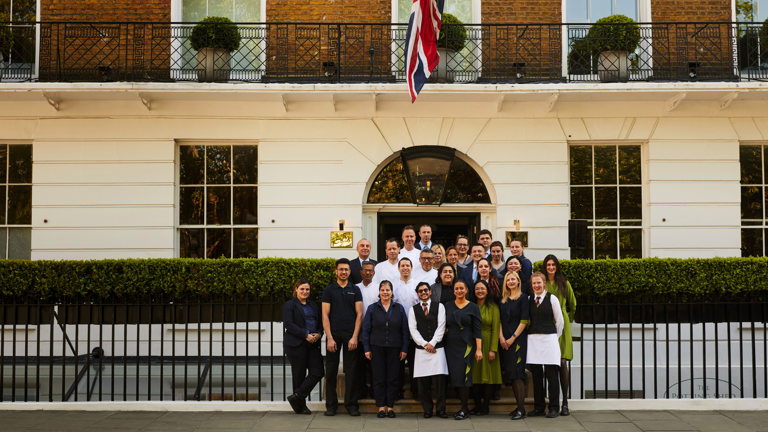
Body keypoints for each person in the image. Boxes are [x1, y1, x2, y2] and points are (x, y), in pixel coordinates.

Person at [321, 258, 364, 416]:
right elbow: (325, 315)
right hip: (334, 335)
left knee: (352, 372)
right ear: (336, 271)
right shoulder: (329, 290)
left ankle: (351, 405)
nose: (344, 272)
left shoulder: (355, 289)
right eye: (341, 269)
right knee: (331, 371)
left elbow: (360, 314)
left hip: (350, 335)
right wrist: (330, 338)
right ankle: (331, 406)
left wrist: (354, 337)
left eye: (346, 269)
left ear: (349, 271)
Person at [362, 280, 409, 418]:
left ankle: (390, 406)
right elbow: (366, 330)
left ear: (392, 292)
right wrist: (366, 348)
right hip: (376, 347)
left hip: (395, 348)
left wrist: (404, 348)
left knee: (393, 377)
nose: (385, 292)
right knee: (378, 377)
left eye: (388, 290)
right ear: (379, 292)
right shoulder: (372, 308)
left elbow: (404, 330)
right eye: (383, 290)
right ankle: (381, 407)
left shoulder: (399, 308)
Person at [408, 282, 449, 419]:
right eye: (420, 291)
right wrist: (425, 344)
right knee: (422, 384)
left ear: (430, 292)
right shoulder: (412, 310)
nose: (423, 293)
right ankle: (427, 409)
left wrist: (432, 343)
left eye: (425, 290)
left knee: (440, 383)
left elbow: (441, 326)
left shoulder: (440, 307)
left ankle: (441, 409)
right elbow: (413, 330)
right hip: (421, 351)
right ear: (417, 293)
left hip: (437, 349)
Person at [283, 278, 324, 415]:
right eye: (302, 289)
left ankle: (297, 396)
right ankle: (301, 406)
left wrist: (319, 333)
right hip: (296, 344)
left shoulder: (313, 305)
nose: (305, 291)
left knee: (318, 372)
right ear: (296, 289)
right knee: (299, 375)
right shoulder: (290, 305)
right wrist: (305, 334)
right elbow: (289, 324)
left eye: (307, 289)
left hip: (313, 343)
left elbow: (319, 322)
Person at [543, 254, 577, 416]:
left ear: (557, 266)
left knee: (562, 363)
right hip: (547, 324)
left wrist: (567, 319)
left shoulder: (564, 283)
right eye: (548, 265)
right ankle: (553, 402)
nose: (550, 267)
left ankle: (565, 402)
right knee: (550, 364)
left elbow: (574, 304)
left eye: (553, 265)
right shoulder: (542, 283)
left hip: (562, 326)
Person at [527, 272, 564, 419]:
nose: (536, 285)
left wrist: (554, 337)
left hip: (549, 340)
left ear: (544, 284)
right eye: (534, 283)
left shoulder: (552, 299)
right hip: (533, 341)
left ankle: (554, 407)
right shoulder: (529, 299)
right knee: (536, 376)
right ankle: (539, 407)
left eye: (539, 283)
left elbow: (559, 321)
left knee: (551, 375)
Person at [444, 280, 482, 420]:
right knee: (455, 376)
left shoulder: (473, 307)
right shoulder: (448, 306)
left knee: (464, 376)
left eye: (461, 288)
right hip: (451, 345)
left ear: (466, 290)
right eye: (456, 288)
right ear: (453, 291)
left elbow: (477, 329)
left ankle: (464, 408)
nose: (459, 291)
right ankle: (462, 406)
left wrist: (479, 349)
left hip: (467, 345)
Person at [498, 271, 529, 420]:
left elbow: (524, 321)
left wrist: (512, 338)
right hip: (505, 342)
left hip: (517, 342)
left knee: (517, 374)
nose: (510, 281)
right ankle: (518, 406)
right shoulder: (503, 299)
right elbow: (499, 320)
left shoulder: (523, 298)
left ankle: (521, 409)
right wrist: (501, 337)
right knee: (511, 373)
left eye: (513, 279)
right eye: (508, 279)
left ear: (518, 281)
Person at [469, 280, 501, 416]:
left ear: (487, 291)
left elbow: (495, 329)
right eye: (477, 289)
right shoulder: (470, 306)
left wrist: (493, 349)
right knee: (475, 376)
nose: (480, 291)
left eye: (482, 288)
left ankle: (485, 406)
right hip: (473, 344)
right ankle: (477, 405)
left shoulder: (493, 307)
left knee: (488, 376)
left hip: (488, 343)